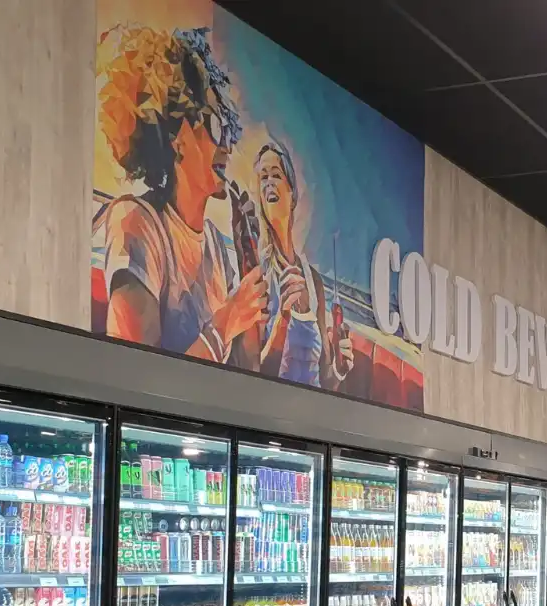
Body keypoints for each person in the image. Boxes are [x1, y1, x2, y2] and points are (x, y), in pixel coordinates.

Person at [97, 26, 266, 363]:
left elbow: (248, 371)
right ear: (176, 137)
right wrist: (224, 322)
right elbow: (133, 374)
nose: (227, 147)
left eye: (229, 131)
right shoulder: (137, 223)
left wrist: (250, 263)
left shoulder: (218, 248)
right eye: (216, 127)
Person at [247, 141, 356, 388]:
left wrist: (339, 369)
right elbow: (251, 372)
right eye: (263, 177)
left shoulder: (313, 280)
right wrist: (283, 319)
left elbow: (325, 380)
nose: (269, 183)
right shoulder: (256, 271)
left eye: (276, 175)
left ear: (292, 193)